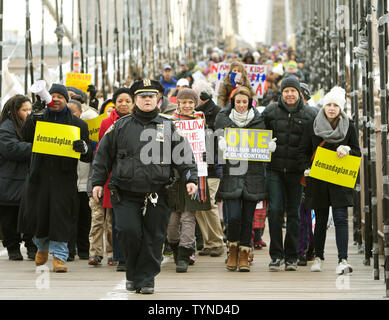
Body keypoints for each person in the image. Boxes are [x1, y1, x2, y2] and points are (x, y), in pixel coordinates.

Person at [91, 79, 198, 294]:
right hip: (125, 192)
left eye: (151, 96)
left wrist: (191, 178)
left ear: (158, 99)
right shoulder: (120, 126)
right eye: (142, 96)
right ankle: (133, 272)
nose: (147, 99)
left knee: (154, 237)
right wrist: (97, 182)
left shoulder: (168, 126)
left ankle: (147, 278)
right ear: (135, 100)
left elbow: (184, 156)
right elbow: (102, 156)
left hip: (158, 192)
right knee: (128, 233)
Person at [18, 83, 93, 273]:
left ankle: (59, 256)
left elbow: (88, 154)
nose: (56, 99)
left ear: (66, 100)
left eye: (60, 96)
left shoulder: (78, 124)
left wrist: (83, 148)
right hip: (39, 176)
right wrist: (33, 116)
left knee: (61, 216)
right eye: (53, 96)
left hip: (64, 177)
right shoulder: (39, 119)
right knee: (39, 214)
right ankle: (41, 248)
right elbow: (26, 137)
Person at [298, 86, 361, 274]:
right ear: (324, 106)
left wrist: (348, 150)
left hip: (340, 178)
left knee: (341, 219)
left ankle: (343, 259)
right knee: (322, 219)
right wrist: (306, 169)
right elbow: (303, 151)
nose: (332, 108)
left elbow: (357, 152)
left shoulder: (348, 126)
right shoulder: (313, 125)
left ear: (340, 108)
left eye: (335, 105)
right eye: (328, 105)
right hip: (318, 180)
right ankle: (318, 256)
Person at [261, 76, 317, 271]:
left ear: (299, 93)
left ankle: (292, 256)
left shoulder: (310, 114)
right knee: (275, 211)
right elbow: (255, 129)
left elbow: (318, 139)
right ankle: (276, 256)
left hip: (297, 171)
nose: (290, 94)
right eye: (286, 91)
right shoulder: (270, 112)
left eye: (293, 90)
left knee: (294, 214)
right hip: (274, 169)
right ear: (281, 93)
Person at [215, 86, 271, 272]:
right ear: (233, 103)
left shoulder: (259, 121)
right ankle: (232, 249)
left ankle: (244, 252)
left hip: (253, 176)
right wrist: (219, 144)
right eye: (238, 102)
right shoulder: (223, 120)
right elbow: (213, 147)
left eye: (244, 102)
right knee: (233, 216)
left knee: (248, 218)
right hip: (232, 174)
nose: (240, 105)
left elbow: (264, 141)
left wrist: (268, 147)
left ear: (250, 103)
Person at [166, 88, 211, 273]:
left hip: (196, 173)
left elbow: (207, 146)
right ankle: (176, 247)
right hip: (173, 175)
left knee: (188, 216)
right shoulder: (169, 122)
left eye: (190, 103)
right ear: (178, 103)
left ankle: (185, 253)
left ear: (195, 104)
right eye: (183, 102)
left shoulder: (201, 122)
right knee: (172, 219)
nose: (187, 106)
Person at [94, 87, 133, 270]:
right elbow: (102, 153)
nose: (124, 104)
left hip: (136, 176)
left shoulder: (139, 122)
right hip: (114, 177)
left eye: (127, 101)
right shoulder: (106, 123)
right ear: (114, 104)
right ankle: (119, 256)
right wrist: (99, 181)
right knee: (117, 219)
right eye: (120, 101)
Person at [0, 95, 37, 261]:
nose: (28, 113)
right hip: (9, 180)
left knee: (30, 216)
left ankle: (31, 247)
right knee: (10, 216)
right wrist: (37, 147)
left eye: (30, 109)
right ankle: (13, 247)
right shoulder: (6, 127)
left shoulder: (30, 125)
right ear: (15, 111)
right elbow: (11, 149)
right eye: (25, 110)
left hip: (26, 180)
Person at [192, 81, 225, 258]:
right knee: (198, 205)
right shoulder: (193, 115)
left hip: (212, 167)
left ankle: (217, 241)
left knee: (209, 203)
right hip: (196, 166)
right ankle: (208, 242)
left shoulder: (217, 114)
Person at [67, 99, 98, 261]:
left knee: (85, 217)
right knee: (70, 217)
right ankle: (69, 249)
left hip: (85, 182)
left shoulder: (86, 129)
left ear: (80, 113)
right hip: (70, 182)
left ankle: (84, 249)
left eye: (73, 112)